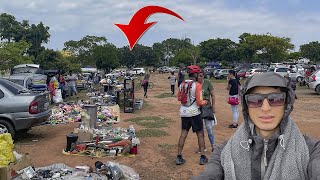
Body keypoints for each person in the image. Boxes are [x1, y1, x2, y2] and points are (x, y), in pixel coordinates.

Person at [192, 72, 320, 180]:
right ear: (246, 106)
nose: (265, 108)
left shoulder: (310, 150)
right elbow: (210, 175)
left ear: (286, 104)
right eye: (255, 100)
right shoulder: (224, 152)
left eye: (275, 99)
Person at [176, 65, 209, 166]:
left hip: (184, 112)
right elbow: (199, 102)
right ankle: (202, 157)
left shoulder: (182, 84)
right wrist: (206, 102)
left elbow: (179, 98)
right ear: (195, 74)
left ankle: (179, 156)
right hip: (194, 113)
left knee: (183, 134)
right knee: (200, 134)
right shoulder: (197, 85)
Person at [198, 70, 216, 152]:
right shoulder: (195, 84)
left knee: (208, 127)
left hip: (207, 107)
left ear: (204, 76)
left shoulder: (207, 83)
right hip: (198, 108)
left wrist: (213, 106)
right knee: (200, 128)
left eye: (201, 75)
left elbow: (213, 95)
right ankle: (202, 146)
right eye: (198, 76)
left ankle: (213, 145)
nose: (200, 77)